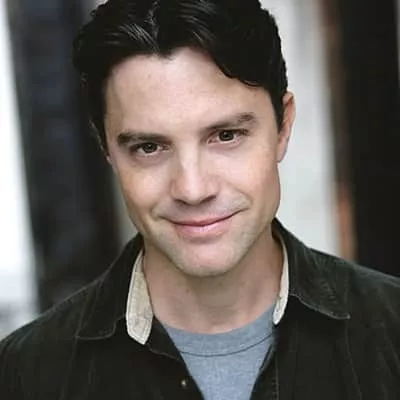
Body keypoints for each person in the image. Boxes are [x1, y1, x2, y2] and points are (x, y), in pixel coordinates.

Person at [1, 0, 400, 398]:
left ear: (283, 126)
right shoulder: (23, 376)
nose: (193, 189)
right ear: (107, 149)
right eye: (149, 147)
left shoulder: (391, 333)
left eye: (226, 136)